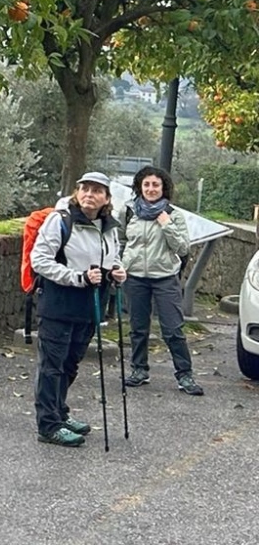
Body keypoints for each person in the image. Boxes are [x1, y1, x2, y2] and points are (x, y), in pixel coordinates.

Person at [28, 172, 126, 448]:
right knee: (52, 366)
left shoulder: (109, 226)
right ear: (76, 191)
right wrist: (78, 277)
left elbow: (112, 255)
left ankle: (59, 413)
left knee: (70, 364)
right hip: (59, 304)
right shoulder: (60, 221)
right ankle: (48, 426)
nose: (89, 194)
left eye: (97, 190)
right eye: (84, 189)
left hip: (89, 307)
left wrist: (116, 270)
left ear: (107, 198)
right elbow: (40, 260)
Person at [117, 166, 200, 395]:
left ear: (163, 188)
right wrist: (122, 264)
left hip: (165, 278)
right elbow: (120, 241)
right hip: (135, 278)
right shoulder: (129, 212)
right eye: (146, 184)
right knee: (138, 328)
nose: (151, 189)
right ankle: (139, 370)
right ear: (139, 187)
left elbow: (183, 248)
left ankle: (185, 375)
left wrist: (166, 224)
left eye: (155, 185)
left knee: (173, 329)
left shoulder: (173, 214)